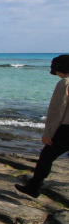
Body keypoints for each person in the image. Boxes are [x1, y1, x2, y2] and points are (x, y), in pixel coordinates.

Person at [15, 54, 69, 198]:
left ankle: (34, 187)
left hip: (66, 129)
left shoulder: (65, 83)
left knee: (46, 157)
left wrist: (48, 133)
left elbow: (57, 111)